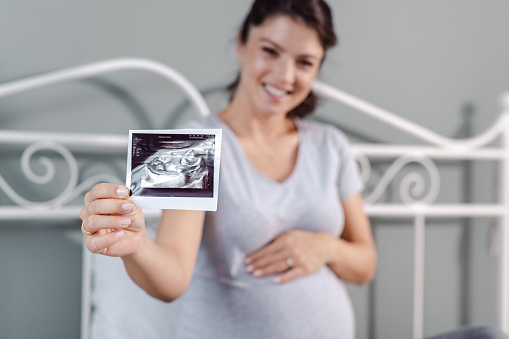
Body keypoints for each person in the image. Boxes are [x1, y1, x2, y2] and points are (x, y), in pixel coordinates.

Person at [80, 0, 377, 338]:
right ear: (241, 44)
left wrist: (327, 247)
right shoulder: (189, 144)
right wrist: (137, 246)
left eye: (305, 62)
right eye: (270, 51)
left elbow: (365, 265)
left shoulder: (331, 145)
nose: (285, 75)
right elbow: (172, 281)